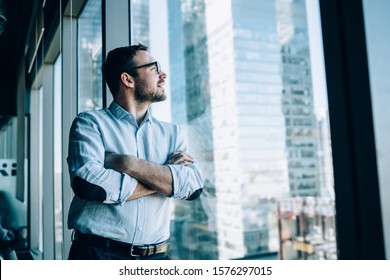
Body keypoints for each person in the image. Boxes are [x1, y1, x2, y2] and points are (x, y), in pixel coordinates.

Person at [67, 44, 204, 260]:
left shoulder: (172, 133)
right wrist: (167, 178)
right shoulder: (90, 123)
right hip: (98, 255)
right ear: (128, 79)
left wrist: (128, 163)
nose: (163, 75)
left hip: (157, 259)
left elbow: (193, 187)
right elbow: (90, 186)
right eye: (153, 68)